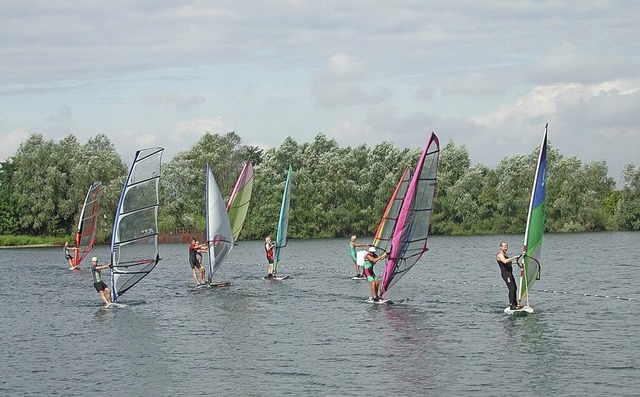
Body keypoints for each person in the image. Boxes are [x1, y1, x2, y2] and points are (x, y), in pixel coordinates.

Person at [496, 241, 522, 310]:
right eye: (504, 247)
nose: (506, 248)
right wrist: (514, 257)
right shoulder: (499, 255)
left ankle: (515, 304)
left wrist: (519, 263)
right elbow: (504, 261)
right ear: (500, 247)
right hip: (506, 274)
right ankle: (512, 305)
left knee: (515, 288)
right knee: (512, 288)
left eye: (506, 247)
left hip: (510, 273)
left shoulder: (505, 255)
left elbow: (509, 262)